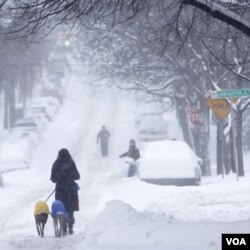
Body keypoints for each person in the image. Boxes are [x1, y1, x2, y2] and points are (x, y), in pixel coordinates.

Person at [50, 148, 80, 235]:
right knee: (70, 209)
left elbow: (52, 179)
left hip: (60, 190)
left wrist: (60, 178)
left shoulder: (56, 164)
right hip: (71, 190)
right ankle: (70, 227)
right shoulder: (71, 163)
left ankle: (63, 227)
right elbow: (77, 176)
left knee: (62, 209)